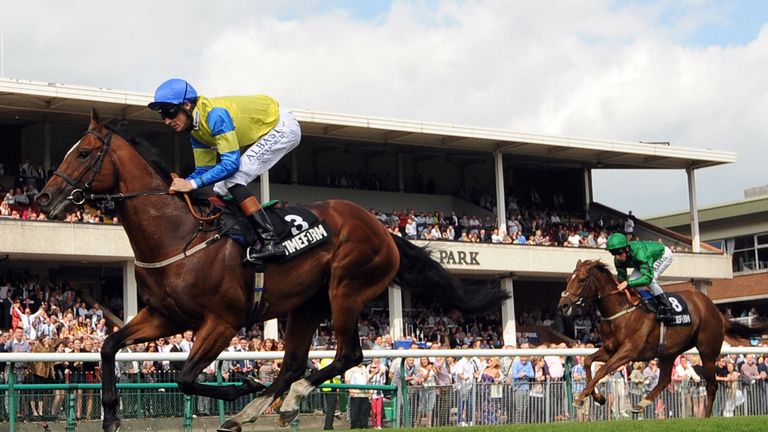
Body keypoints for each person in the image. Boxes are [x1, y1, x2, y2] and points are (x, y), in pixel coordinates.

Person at [148, 78, 302, 261]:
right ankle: (250, 232)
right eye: (162, 116)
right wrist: (178, 185)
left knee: (232, 179)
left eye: (169, 113)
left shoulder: (215, 115)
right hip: (268, 125)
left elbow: (231, 164)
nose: (166, 121)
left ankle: (271, 241)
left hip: (282, 126)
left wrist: (191, 184)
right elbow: (204, 169)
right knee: (220, 187)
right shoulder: (196, 131)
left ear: (187, 105)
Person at [606, 232, 675, 322]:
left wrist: (627, 283)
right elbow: (622, 278)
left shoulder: (640, 253)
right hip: (642, 262)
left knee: (651, 280)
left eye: (619, 253)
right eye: (613, 253)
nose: (617, 257)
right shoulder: (618, 260)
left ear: (626, 248)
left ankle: (668, 310)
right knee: (633, 281)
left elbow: (647, 278)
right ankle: (648, 302)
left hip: (662, 255)